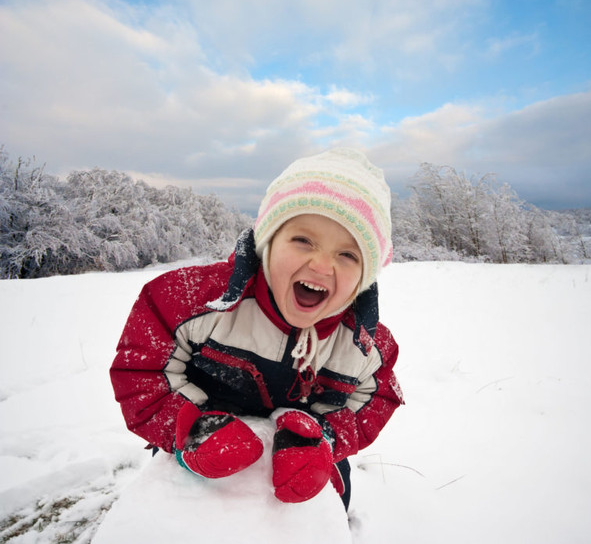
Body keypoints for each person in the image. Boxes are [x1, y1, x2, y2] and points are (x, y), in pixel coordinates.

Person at [110, 147, 404, 511]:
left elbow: (375, 401)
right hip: (200, 448)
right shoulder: (195, 302)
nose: (322, 264)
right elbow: (141, 371)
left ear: (364, 277)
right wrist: (191, 428)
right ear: (267, 243)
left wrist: (324, 440)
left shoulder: (365, 346)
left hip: (303, 462)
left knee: (323, 509)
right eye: (303, 240)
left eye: (348, 255)